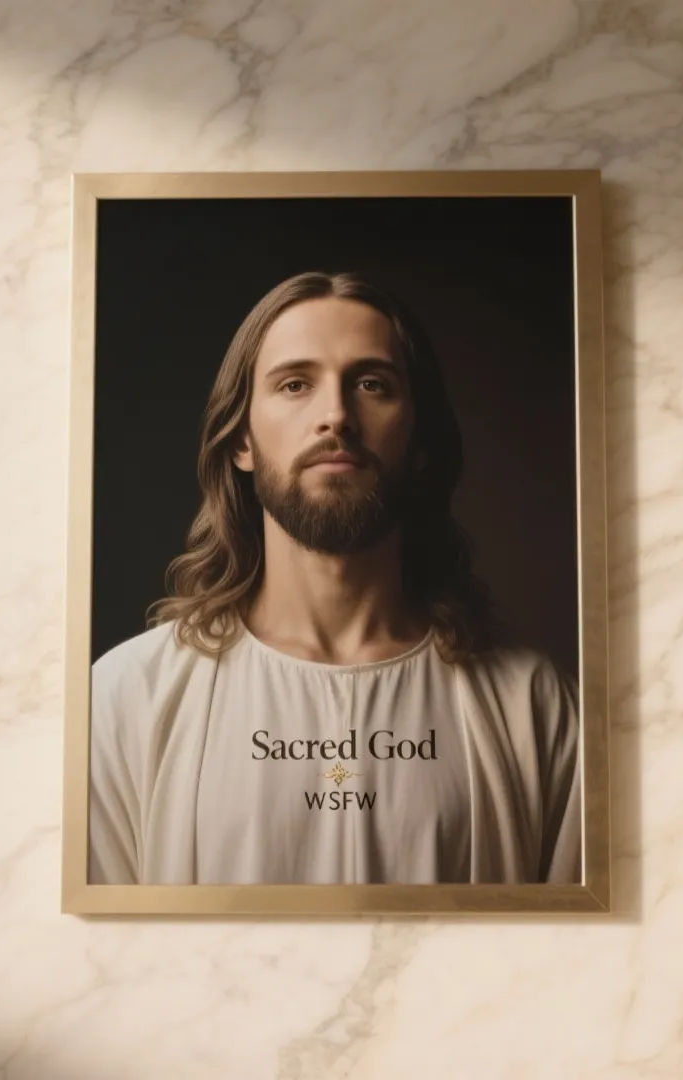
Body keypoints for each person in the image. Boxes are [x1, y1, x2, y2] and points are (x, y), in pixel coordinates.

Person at [88, 270, 581, 886]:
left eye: (372, 384)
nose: (336, 417)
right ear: (241, 437)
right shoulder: (123, 698)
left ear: (421, 438)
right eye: (295, 384)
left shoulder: (533, 704)